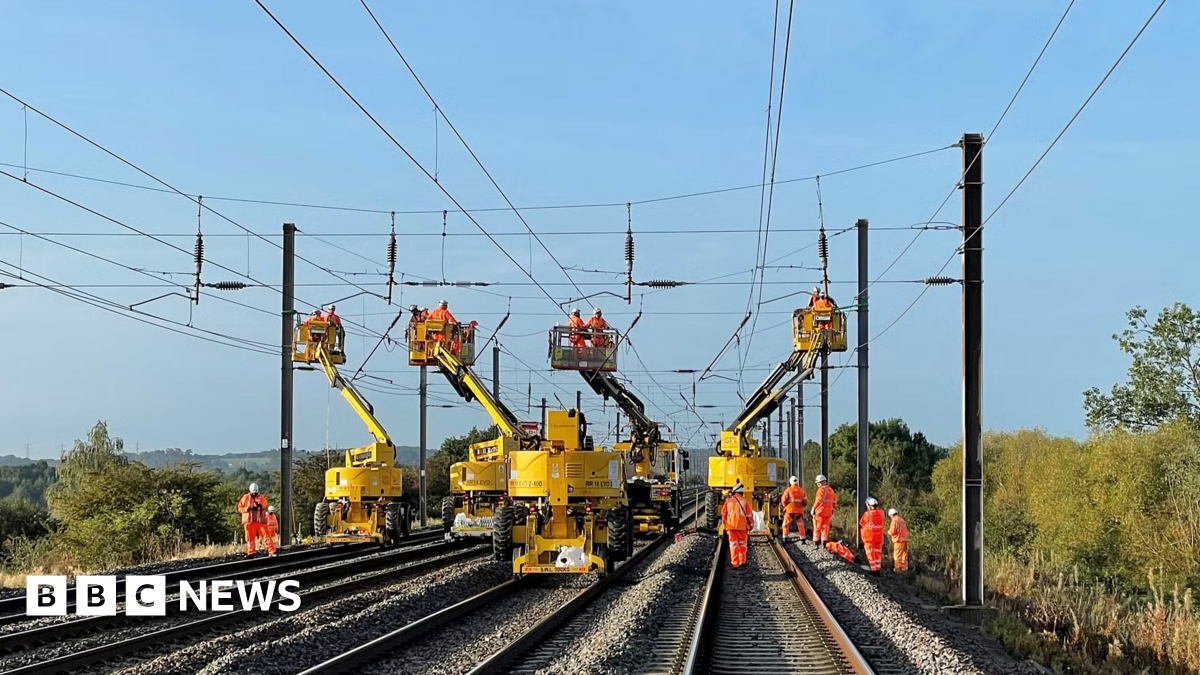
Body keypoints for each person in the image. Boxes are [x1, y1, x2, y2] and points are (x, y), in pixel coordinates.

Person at [237, 483, 276, 557]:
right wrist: (248, 508)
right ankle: (251, 552)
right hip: (249, 521)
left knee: (266, 536)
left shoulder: (261, 497)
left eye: (256, 492)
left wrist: (259, 505)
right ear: (250, 491)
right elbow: (240, 508)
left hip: (260, 520)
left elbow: (264, 505)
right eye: (253, 493)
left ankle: (271, 551)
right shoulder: (245, 498)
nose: (254, 494)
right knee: (249, 538)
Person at [721, 482, 753, 569]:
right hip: (742, 527)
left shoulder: (728, 502)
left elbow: (723, 514)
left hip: (731, 527)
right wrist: (751, 525)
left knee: (733, 545)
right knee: (742, 544)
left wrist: (725, 524)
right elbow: (749, 515)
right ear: (742, 493)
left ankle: (735, 563)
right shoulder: (745, 502)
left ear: (734, 492)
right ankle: (742, 561)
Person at [859, 497, 885, 576]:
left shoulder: (867, 514)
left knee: (870, 554)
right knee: (877, 554)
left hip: (869, 538)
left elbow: (861, 523)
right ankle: (877, 570)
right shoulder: (881, 513)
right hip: (879, 538)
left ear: (869, 506)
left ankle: (873, 570)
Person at [811, 474, 836, 546]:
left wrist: (813, 508)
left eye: (817, 483)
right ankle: (824, 542)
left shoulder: (821, 490)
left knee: (817, 527)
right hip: (828, 513)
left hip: (820, 512)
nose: (817, 485)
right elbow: (834, 501)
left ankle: (816, 542)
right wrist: (832, 508)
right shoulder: (831, 490)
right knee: (825, 528)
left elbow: (818, 501)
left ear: (820, 483)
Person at [780, 476, 808, 540]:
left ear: (790, 482)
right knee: (801, 524)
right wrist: (801, 506)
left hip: (790, 510)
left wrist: (785, 506)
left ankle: (785, 537)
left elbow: (783, 500)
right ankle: (802, 538)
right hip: (799, 511)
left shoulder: (788, 490)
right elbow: (805, 502)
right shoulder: (802, 491)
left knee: (785, 524)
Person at [887, 508, 909, 573]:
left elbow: (892, 531)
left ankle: (897, 569)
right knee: (904, 555)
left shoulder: (894, 521)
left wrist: (888, 532)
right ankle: (904, 569)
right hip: (904, 540)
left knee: (897, 556)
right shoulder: (901, 520)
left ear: (891, 515)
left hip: (898, 541)